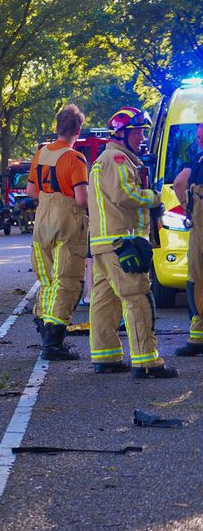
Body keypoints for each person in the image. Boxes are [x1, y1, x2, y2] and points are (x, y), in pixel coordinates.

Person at [88, 106, 176, 378]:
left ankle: (106, 356)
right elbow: (124, 194)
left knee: (105, 301)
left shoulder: (107, 159)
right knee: (137, 297)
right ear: (121, 134)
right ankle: (146, 361)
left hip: (105, 243)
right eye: (136, 132)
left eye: (142, 132)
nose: (141, 137)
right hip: (122, 242)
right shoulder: (117, 159)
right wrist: (153, 197)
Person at [25, 104, 89, 360]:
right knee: (67, 280)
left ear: (57, 127)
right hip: (67, 222)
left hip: (42, 221)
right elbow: (81, 198)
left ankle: (44, 327)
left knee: (48, 279)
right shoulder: (75, 158)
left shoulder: (41, 154)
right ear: (78, 130)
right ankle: (54, 343)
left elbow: (31, 191)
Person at [171, 121, 203, 356]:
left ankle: (198, 336)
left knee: (197, 279)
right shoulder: (199, 160)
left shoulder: (198, 161)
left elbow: (179, 183)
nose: (200, 140)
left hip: (199, 227)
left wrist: (187, 207)